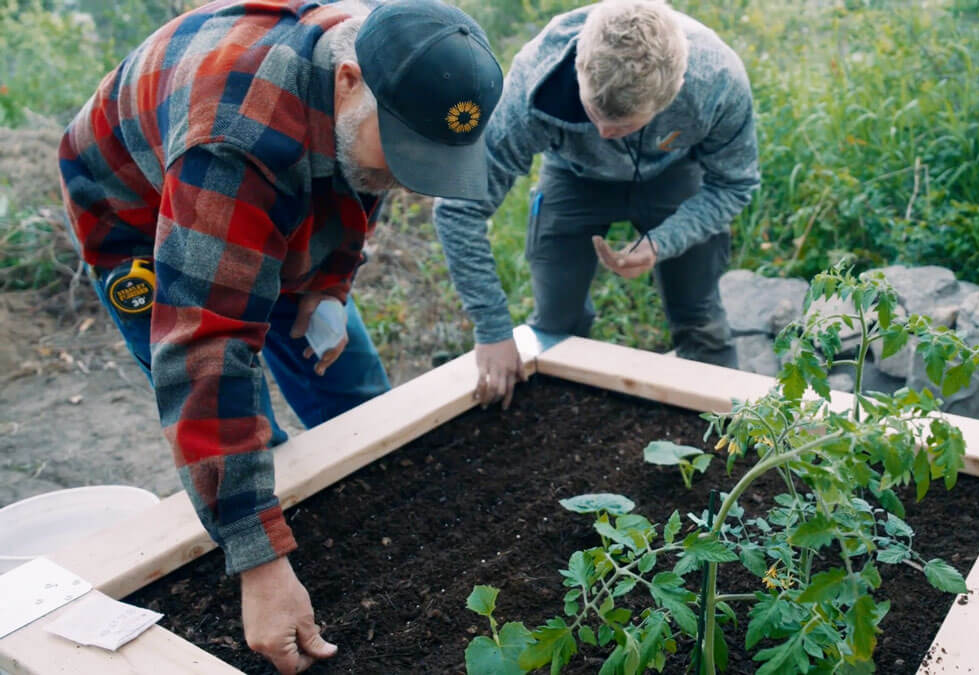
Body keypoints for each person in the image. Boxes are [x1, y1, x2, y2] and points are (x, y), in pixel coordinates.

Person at [57, 0, 502, 671]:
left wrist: (329, 285)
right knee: (248, 427)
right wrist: (257, 554)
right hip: (148, 218)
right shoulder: (235, 142)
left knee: (356, 392)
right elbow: (206, 346)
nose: (409, 178)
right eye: (405, 150)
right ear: (348, 80)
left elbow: (366, 176)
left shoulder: (387, 62)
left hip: (276, 173)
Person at [434, 0, 760, 409]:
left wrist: (663, 241)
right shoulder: (534, 81)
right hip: (572, 175)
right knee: (555, 322)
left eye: (623, 125)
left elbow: (733, 184)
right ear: (579, 67)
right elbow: (458, 207)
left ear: (672, 94)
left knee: (700, 317)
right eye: (591, 111)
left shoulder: (715, 80)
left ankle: (728, 424)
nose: (604, 133)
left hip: (674, 173)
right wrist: (494, 330)